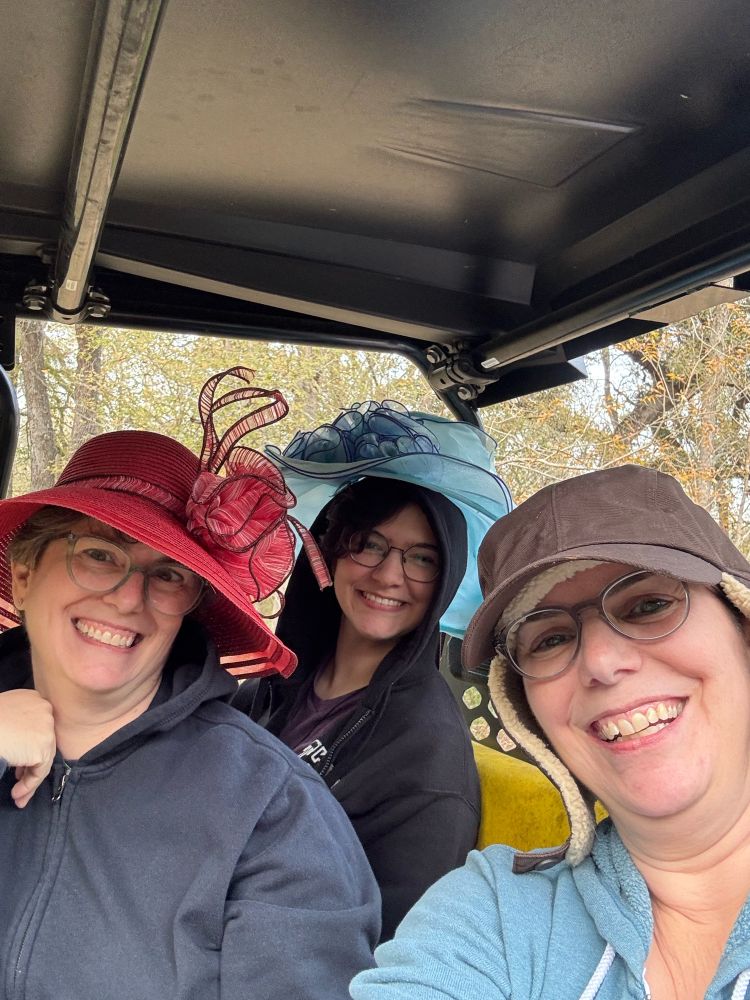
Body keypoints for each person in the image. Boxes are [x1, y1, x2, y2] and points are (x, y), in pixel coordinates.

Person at [0, 367, 379, 1000]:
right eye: (98, 553)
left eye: (167, 575)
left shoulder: (271, 809)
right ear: (26, 572)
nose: (127, 597)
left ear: (190, 606)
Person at [351, 463, 750, 999]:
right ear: (528, 714)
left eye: (649, 605)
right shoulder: (492, 910)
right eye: (549, 640)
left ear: (742, 628)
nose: (602, 662)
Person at [236, 400, 512, 940]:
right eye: (369, 545)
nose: (390, 575)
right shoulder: (269, 690)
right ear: (331, 553)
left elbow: (385, 948)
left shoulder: (424, 761)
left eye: (422, 557)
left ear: (445, 577)